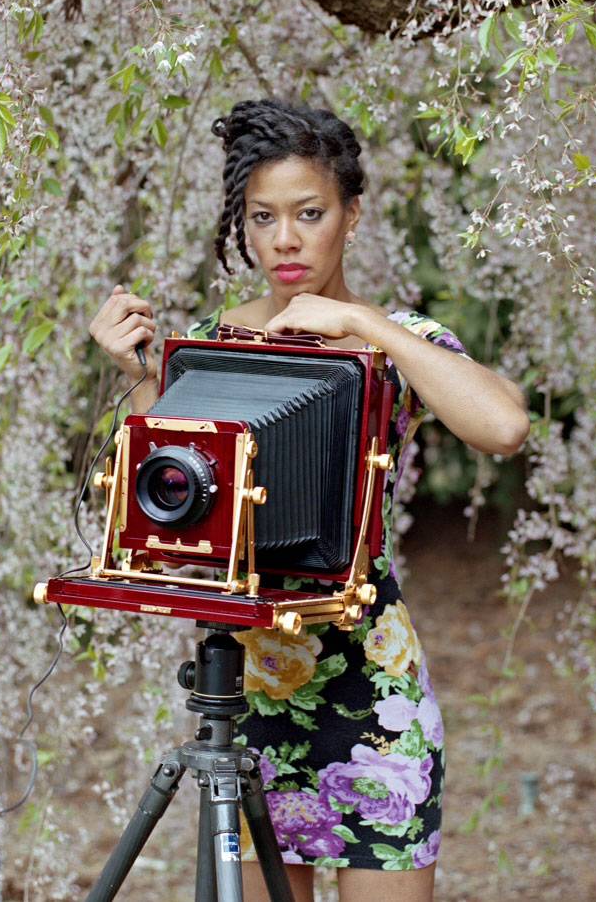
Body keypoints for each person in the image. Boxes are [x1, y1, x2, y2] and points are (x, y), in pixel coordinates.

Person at [88, 98, 530, 902]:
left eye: (309, 213)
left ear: (351, 216)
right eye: (263, 217)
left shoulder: (397, 339)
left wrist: (370, 325)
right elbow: (154, 504)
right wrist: (140, 378)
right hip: (248, 690)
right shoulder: (212, 345)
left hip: (373, 695)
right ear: (243, 226)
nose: (285, 240)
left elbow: (503, 426)